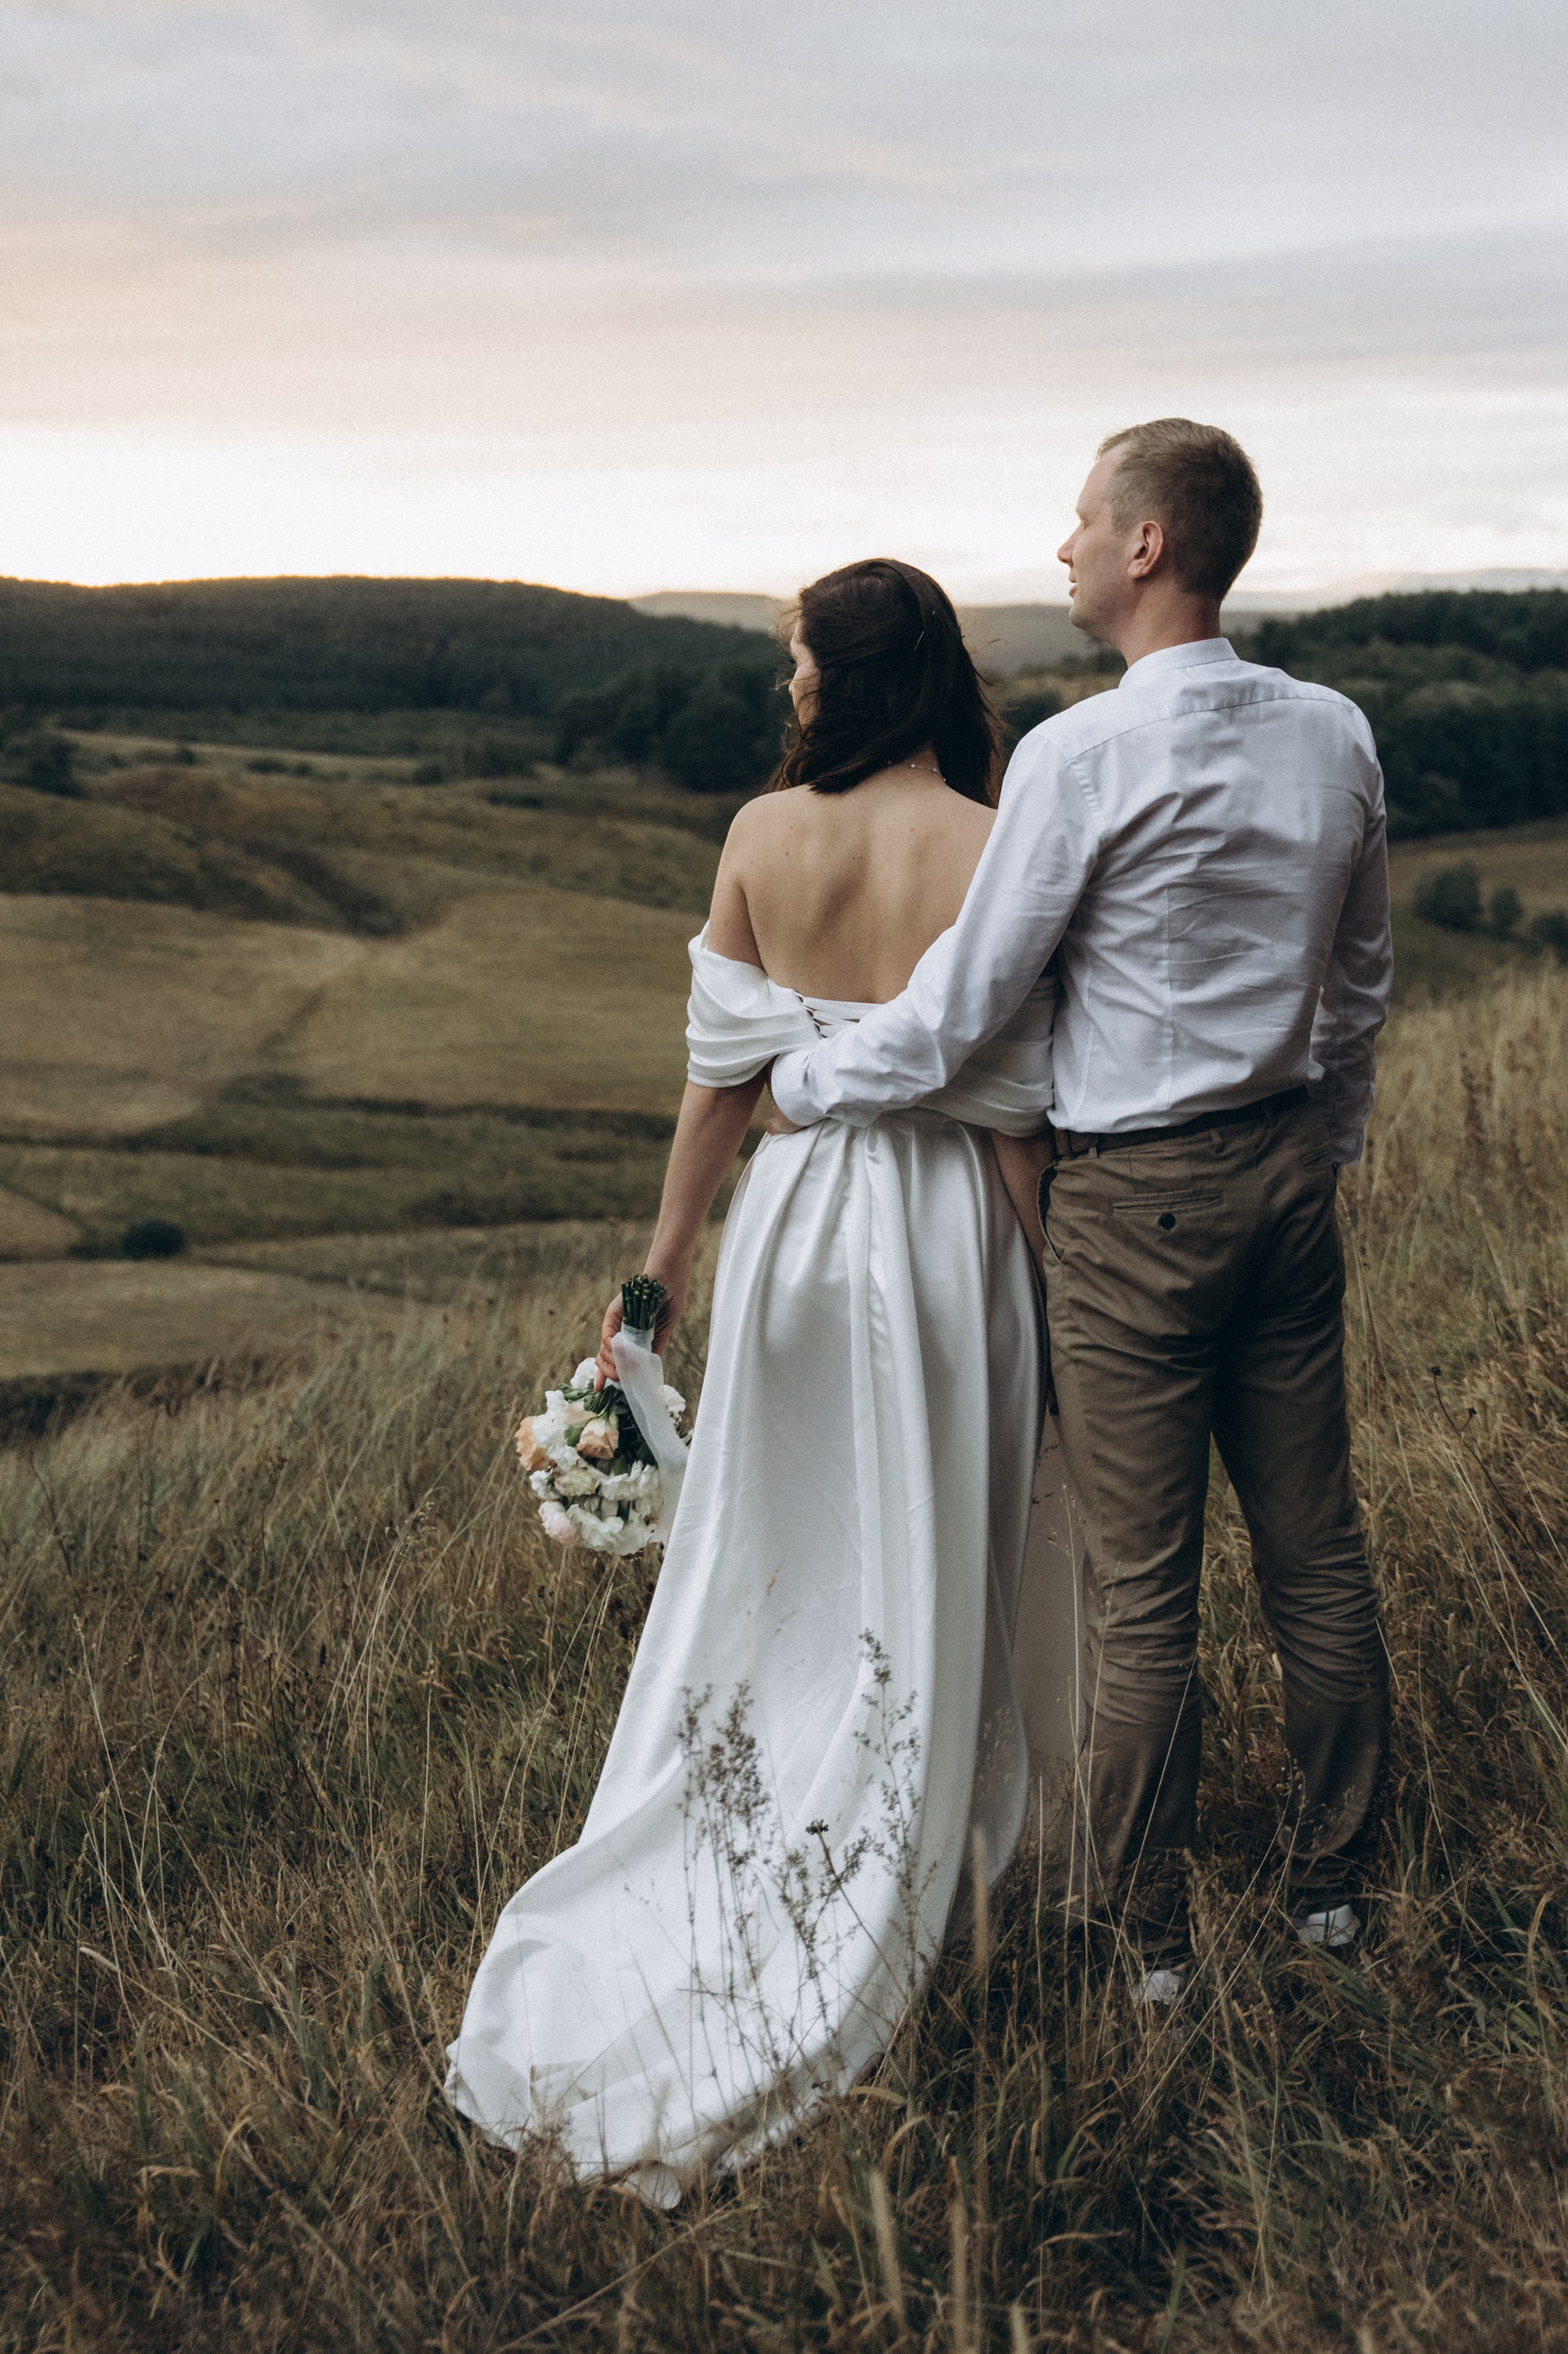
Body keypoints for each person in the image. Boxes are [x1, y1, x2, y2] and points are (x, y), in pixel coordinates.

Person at [446, 559, 1058, 2203]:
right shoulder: (993, 848)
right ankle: (920, 1838)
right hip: (940, 1237)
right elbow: (1012, 1113)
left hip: (796, 1235)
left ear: (846, 678)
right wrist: (1055, 1293)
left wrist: (658, 1277)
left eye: (799, 660)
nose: (789, 684)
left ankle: (741, 1813)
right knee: (942, 1537)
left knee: (780, 1553)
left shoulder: (758, 838)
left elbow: (719, 1087)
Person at [765, 420, 1392, 1996]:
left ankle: (1148, 1936)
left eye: (1077, 520)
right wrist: (1326, 1138)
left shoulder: (1078, 754)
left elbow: (967, 1004)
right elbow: (1360, 979)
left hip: (1131, 1205)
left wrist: (813, 1086)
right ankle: (1332, 1890)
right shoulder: (1335, 733)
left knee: (1140, 1587)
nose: (1058, 548)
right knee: (1315, 1550)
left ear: (1146, 546)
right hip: (1284, 1175)